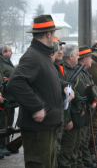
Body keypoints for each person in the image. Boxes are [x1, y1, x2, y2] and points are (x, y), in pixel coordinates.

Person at [8, 15, 74, 168]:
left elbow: (47, 80)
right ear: (48, 34)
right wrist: (36, 107)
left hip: (48, 125)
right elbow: (15, 82)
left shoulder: (43, 55)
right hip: (38, 128)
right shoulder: (33, 56)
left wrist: (63, 85)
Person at [0, 44, 18, 156]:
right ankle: (2, 145)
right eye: (9, 50)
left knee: (8, 123)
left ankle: (6, 144)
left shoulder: (8, 61)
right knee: (3, 123)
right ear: (3, 53)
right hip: (5, 98)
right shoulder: (2, 63)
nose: (11, 52)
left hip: (10, 99)